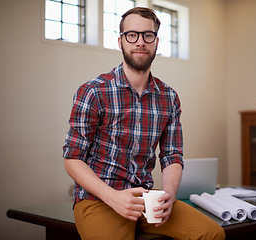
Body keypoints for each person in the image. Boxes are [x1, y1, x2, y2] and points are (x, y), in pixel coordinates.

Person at [63, 7, 225, 240]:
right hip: (99, 200)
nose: (140, 42)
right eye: (132, 35)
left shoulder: (169, 97)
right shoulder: (93, 91)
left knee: (213, 234)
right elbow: (72, 158)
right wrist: (114, 197)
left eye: (147, 35)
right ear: (120, 41)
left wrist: (168, 194)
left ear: (156, 42)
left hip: (146, 198)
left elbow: (172, 155)